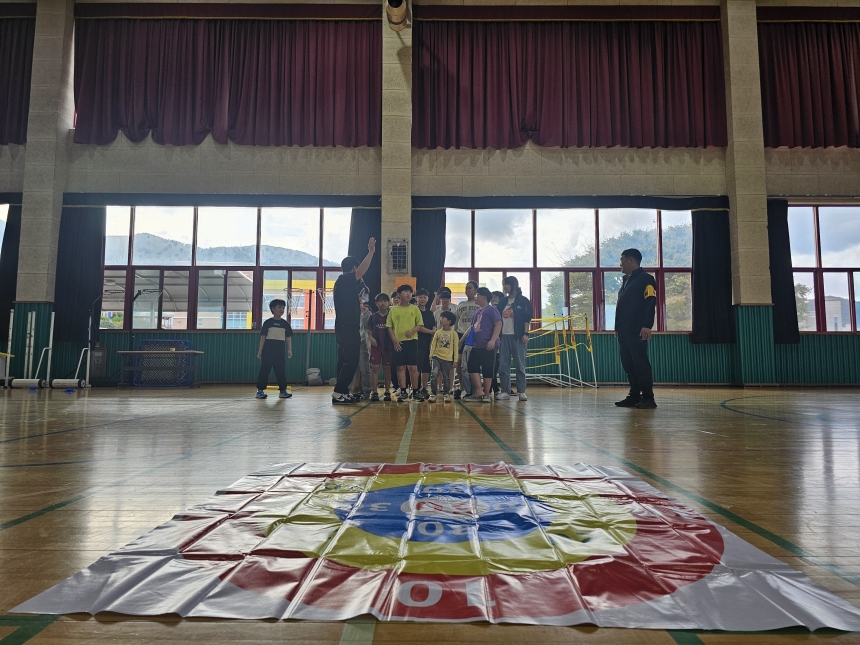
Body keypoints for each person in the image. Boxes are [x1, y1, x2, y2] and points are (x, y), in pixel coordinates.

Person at [332, 237, 376, 405]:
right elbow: (362, 271)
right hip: (348, 327)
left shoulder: (342, 284)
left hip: (343, 326)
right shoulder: (345, 279)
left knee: (345, 360)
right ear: (354, 268)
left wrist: (359, 306)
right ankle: (339, 392)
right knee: (351, 359)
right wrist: (371, 252)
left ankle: (342, 392)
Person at [614, 248, 658, 409]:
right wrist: (618, 327)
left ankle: (648, 398)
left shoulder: (646, 279)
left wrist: (647, 325)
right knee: (628, 364)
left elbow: (650, 302)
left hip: (637, 329)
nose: (620, 264)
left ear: (631, 260)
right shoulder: (626, 280)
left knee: (640, 364)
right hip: (624, 330)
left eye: (622, 260)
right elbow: (622, 307)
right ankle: (634, 396)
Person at [387, 284, 426, 402]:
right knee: (400, 367)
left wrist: (413, 331)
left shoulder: (415, 309)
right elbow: (389, 326)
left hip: (412, 342)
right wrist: (394, 340)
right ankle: (403, 392)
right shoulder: (393, 310)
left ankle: (415, 392)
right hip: (398, 343)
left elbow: (420, 324)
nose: (408, 294)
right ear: (399, 294)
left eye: (410, 292)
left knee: (413, 368)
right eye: (405, 291)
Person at [496, 276, 532, 402]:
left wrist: (526, 334)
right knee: (503, 366)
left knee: (520, 366)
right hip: (503, 337)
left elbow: (527, 318)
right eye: (503, 285)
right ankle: (505, 391)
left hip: (518, 337)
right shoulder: (502, 302)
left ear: (514, 286)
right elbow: (497, 320)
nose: (505, 287)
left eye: (507, 284)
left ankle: (521, 391)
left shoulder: (523, 301)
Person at [463, 287, 502, 403]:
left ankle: (487, 394)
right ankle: (479, 391)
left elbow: (498, 324)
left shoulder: (492, 310)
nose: (475, 297)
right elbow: (472, 327)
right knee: (472, 366)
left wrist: (493, 340)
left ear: (484, 297)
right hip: (476, 345)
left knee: (487, 369)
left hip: (488, 345)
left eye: (477, 295)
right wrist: (463, 340)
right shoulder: (477, 311)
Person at [255, 299, 293, 399]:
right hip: (268, 349)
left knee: (281, 371)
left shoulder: (285, 324)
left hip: (280, 350)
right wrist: (260, 350)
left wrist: (289, 350)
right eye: (279, 307)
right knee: (264, 370)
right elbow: (263, 337)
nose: (281, 310)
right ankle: (260, 391)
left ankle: (283, 391)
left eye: (283, 308)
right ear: (273, 309)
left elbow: (288, 337)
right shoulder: (268, 323)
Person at [455, 281, 480, 399]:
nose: (468, 290)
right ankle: (462, 386)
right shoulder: (461, 305)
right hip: (460, 334)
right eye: (466, 288)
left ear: (476, 290)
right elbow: (456, 321)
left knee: (473, 363)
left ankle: (475, 388)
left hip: (474, 336)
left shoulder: (479, 305)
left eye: (470, 288)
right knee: (459, 361)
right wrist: (456, 336)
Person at [428, 311, 458, 402]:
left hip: (447, 359)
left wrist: (455, 360)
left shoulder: (454, 334)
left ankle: (446, 394)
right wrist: (431, 357)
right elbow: (433, 345)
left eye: (443, 318)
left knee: (446, 377)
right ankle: (433, 393)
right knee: (434, 374)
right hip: (436, 357)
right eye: (440, 318)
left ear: (449, 321)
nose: (440, 320)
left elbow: (455, 348)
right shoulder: (438, 333)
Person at [369, 293, 393, 401]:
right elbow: (369, 331)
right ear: (376, 303)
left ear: (388, 303)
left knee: (387, 369)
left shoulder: (391, 316)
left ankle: (387, 392)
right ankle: (374, 392)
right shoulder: (373, 317)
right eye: (380, 301)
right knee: (375, 369)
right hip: (376, 347)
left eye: (384, 301)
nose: (382, 303)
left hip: (388, 347)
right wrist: (370, 338)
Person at [415, 288, 436, 397]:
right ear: (416, 298)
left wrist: (431, 343)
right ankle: (415, 388)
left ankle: (424, 388)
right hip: (416, 343)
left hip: (428, 343)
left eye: (424, 297)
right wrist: (431, 332)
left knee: (426, 367)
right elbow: (418, 327)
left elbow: (434, 328)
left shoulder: (429, 313)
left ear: (428, 299)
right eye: (420, 297)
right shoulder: (414, 311)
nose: (422, 299)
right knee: (417, 367)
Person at [354, 301, 373, 400]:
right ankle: (355, 390)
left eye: (363, 304)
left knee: (365, 367)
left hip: (363, 343)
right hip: (353, 343)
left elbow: (368, 327)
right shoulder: (353, 315)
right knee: (354, 368)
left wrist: (366, 314)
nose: (363, 306)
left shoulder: (367, 315)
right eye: (361, 303)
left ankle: (366, 390)